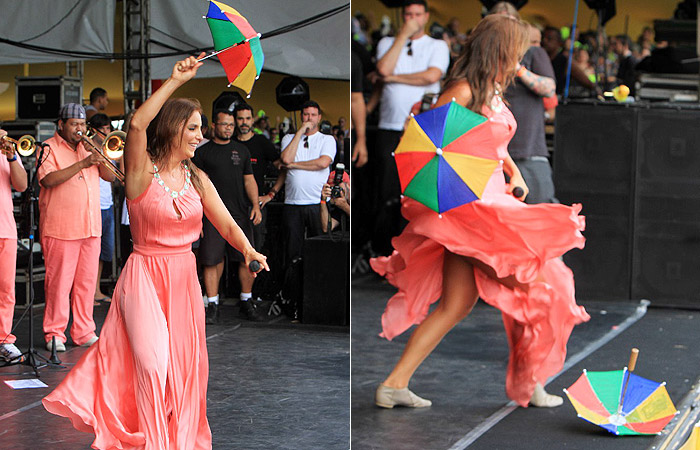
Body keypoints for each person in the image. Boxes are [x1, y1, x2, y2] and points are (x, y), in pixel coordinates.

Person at [43, 54, 268, 449]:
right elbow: (136, 124)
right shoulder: (140, 170)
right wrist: (176, 81)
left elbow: (227, 222)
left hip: (183, 279)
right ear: (174, 129)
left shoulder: (197, 176)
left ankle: (175, 440)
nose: (201, 135)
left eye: (201, 128)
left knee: (184, 371)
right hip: (145, 275)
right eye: (194, 128)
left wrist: (250, 249)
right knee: (152, 363)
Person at [371, 14, 589, 410]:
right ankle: (530, 381)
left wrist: (513, 172)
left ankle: (394, 384)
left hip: (487, 206)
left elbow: (496, 144)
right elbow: (434, 142)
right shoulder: (464, 90)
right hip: (471, 212)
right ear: (500, 49)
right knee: (538, 286)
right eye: (517, 49)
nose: (521, 56)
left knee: (458, 304)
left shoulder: (491, 89)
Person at [372, 0, 450, 255]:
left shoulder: (437, 45)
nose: (413, 19)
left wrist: (392, 78)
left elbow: (431, 76)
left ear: (426, 16)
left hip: (424, 127)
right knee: (387, 189)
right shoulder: (387, 43)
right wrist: (403, 36)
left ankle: (416, 249)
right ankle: (385, 250)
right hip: (390, 126)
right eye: (408, 15)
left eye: (417, 14)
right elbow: (382, 67)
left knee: (418, 189)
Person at [39, 103, 116, 352]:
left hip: (90, 227)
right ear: (61, 125)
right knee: (59, 284)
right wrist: (83, 164)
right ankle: (55, 333)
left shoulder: (89, 147)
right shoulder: (48, 148)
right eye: (74, 124)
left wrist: (99, 152)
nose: (80, 129)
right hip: (61, 228)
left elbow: (111, 176)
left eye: (83, 124)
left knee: (85, 283)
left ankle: (84, 331)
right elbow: (48, 180)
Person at [192, 108, 263, 323]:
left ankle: (246, 300)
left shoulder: (241, 151)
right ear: (214, 125)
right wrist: (197, 216)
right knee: (212, 260)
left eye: (231, 125)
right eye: (224, 124)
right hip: (211, 215)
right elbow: (194, 185)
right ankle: (212, 304)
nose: (228, 128)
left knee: (246, 257)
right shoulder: (203, 152)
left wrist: (256, 205)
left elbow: (249, 180)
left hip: (239, 213)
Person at [279, 100, 336, 264]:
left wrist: (294, 165)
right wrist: (301, 131)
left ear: (319, 118)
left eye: (313, 115)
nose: (309, 118)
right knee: (292, 250)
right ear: (301, 116)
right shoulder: (289, 138)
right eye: (306, 115)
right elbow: (285, 158)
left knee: (319, 248)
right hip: (292, 203)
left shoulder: (327, 139)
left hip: (317, 202)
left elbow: (323, 163)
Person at [234, 103, 283, 254]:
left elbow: (283, 169)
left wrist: (271, 194)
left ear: (252, 120)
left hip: (256, 205)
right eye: (240, 119)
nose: (244, 122)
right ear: (235, 120)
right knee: (234, 250)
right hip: (233, 205)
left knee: (256, 249)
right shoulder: (230, 143)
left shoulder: (262, 142)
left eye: (247, 118)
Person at [0, 129, 28, 362]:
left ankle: (3, 339)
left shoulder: (5, 150)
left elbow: (22, 185)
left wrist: (11, 157)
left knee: (6, 290)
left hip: (6, 228)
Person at [88, 113, 117, 303]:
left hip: (107, 204)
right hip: (93, 205)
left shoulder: (110, 147)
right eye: (103, 129)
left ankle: (96, 289)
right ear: (94, 130)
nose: (107, 132)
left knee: (103, 252)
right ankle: (88, 293)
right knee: (92, 252)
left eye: (108, 129)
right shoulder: (88, 146)